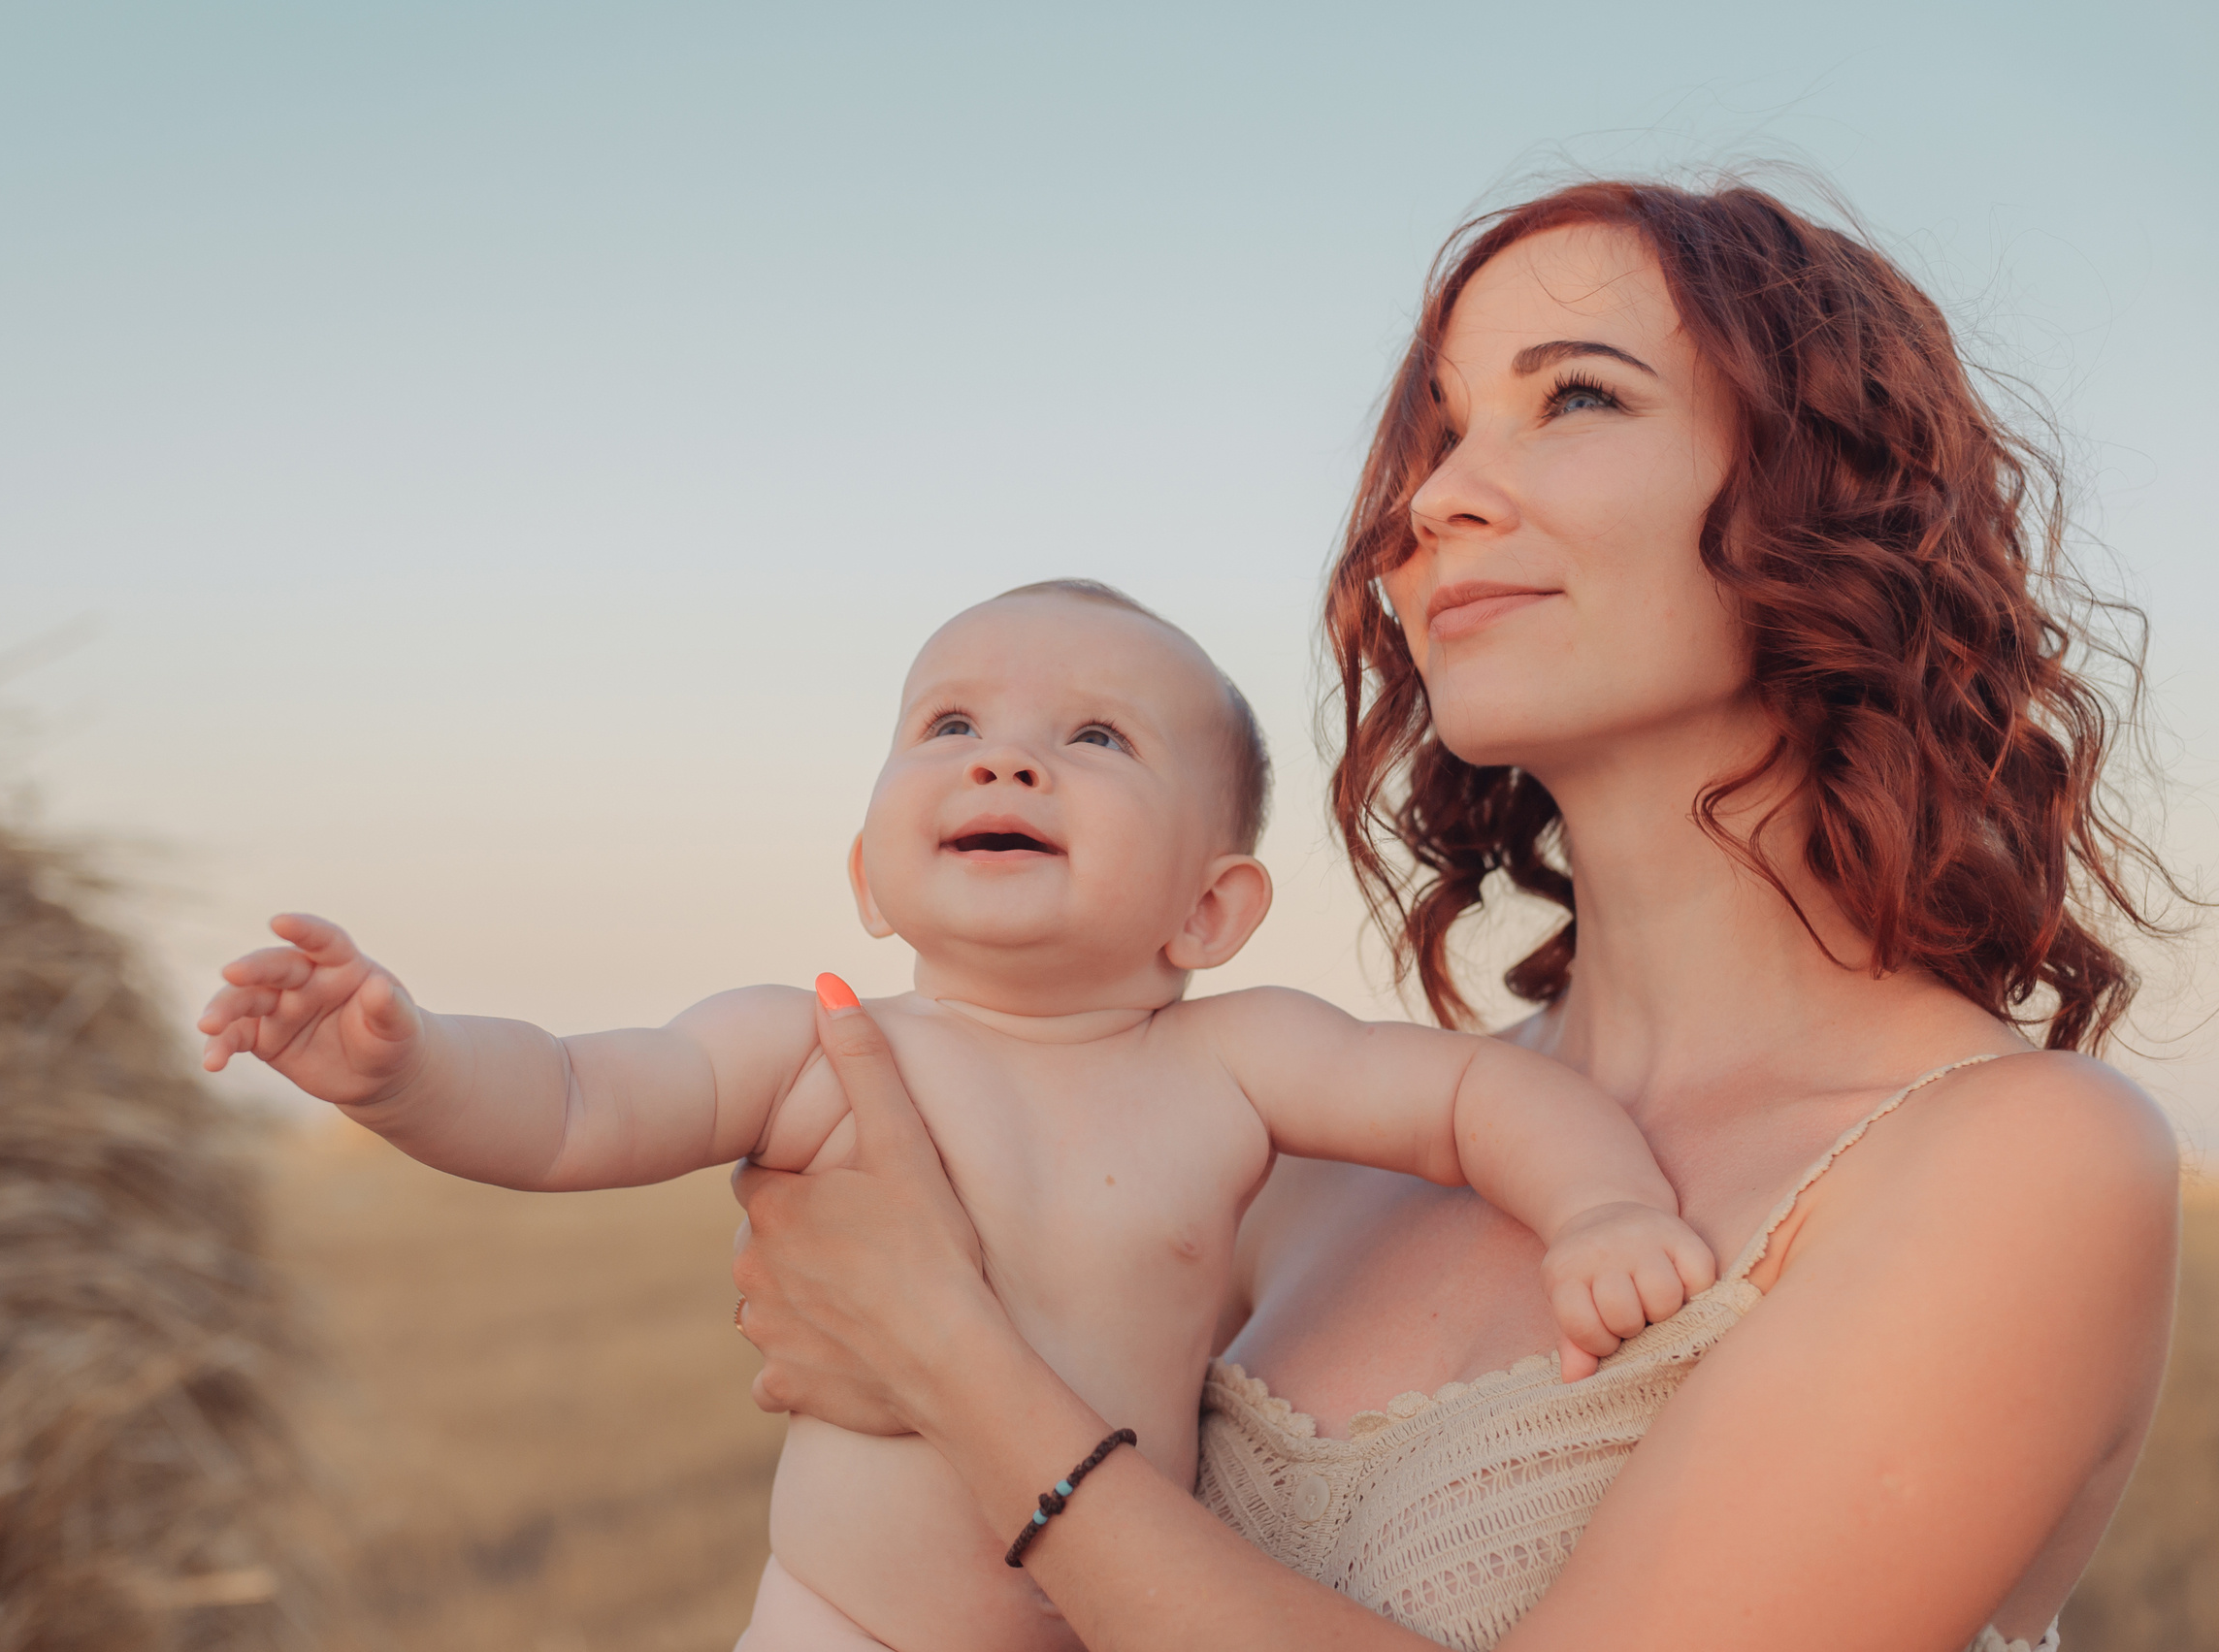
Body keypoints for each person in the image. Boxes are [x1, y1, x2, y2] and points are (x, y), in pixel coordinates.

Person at [724, 178, 2186, 1652]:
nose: (1434, 502)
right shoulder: (1307, 1167)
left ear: (1835, 494)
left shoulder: (2016, 1159)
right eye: (1442, 433)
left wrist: (953, 1368)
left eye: (1577, 398)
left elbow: (953, 1376)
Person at [195, 580, 1717, 1652]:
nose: (1007, 756)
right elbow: (576, 1102)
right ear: (868, 871)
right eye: (951, 724)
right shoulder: (815, 1046)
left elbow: (1474, 1093)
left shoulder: (1241, 1063)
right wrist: (406, 1072)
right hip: (842, 1625)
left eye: (1097, 739)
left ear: (1208, 907)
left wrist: (1598, 1207)